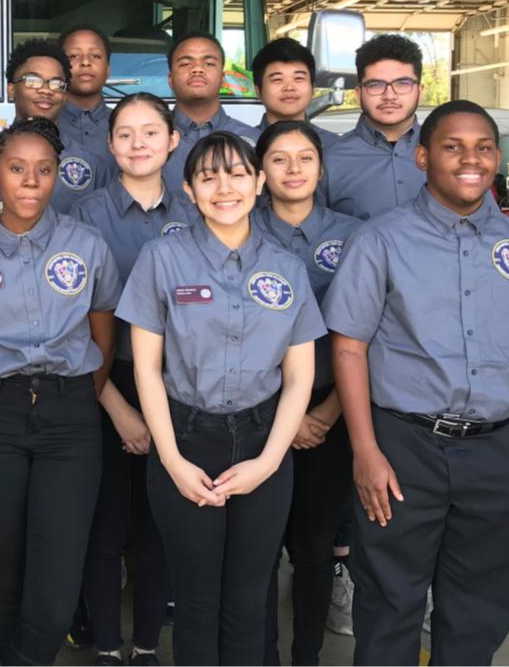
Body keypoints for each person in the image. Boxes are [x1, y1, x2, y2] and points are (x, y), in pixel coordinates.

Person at [323, 100, 509, 667]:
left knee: (481, 608)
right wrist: (364, 450)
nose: (469, 159)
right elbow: (349, 348)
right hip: (405, 448)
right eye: (452, 146)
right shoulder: (380, 241)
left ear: (497, 159)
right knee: (390, 603)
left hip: (501, 451)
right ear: (424, 157)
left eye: (482, 147)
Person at [120, 132, 323, 667]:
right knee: (196, 600)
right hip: (185, 439)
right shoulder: (161, 259)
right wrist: (172, 461)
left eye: (236, 173)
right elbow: (146, 367)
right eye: (208, 176)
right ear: (188, 189)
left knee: (248, 601)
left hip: (264, 443)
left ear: (259, 182)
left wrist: (268, 462)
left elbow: (299, 376)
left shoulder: (288, 269)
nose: (224, 186)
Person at [0, 118, 122, 667]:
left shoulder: (86, 244)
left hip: (71, 414)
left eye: (44, 171)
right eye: (16, 169)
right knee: (2, 561)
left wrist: (77, 394)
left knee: (58, 575)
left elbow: (103, 330)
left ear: (58, 177)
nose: (30, 181)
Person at [69, 94, 190, 667]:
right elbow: (70, 324)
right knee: (106, 525)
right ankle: (108, 648)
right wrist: (115, 406)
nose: (138, 143)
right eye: (125, 133)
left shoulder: (199, 214)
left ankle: (145, 645)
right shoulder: (84, 216)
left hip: (183, 392)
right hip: (105, 385)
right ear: (109, 143)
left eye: (151, 132)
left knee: (158, 526)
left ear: (172, 141)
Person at [251, 122, 362, 667]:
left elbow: (372, 332)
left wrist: (323, 410)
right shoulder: (238, 229)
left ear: (323, 168)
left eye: (305, 158)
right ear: (259, 171)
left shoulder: (358, 234)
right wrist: (284, 414)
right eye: (278, 159)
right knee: (262, 550)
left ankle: (307, 658)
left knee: (317, 549)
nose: (293, 169)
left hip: (330, 411)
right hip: (257, 411)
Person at [0, 38, 115, 213]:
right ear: (11, 90)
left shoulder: (92, 165)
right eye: (33, 80)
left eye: (56, 84)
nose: (46, 90)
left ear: (65, 96)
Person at [323, 34, 425, 220]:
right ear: (358, 93)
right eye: (376, 85)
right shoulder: (328, 161)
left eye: (402, 83)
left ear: (420, 92)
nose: (389, 95)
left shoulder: (446, 153)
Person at [162, 33, 261, 202]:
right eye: (186, 63)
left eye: (208, 63)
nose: (197, 69)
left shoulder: (255, 141)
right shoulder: (147, 141)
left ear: (223, 79)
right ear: (170, 80)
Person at [250, 39, 342, 150]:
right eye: (277, 79)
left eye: (298, 78)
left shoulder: (336, 146)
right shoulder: (241, 147)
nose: (289, 87)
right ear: (258, 90)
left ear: (312, 88)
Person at [58, 25, 115, 170]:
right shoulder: (46, 124)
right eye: (74, 56)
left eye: (95, 56)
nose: (85, 62)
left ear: (108, 70)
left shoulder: (126, 125)